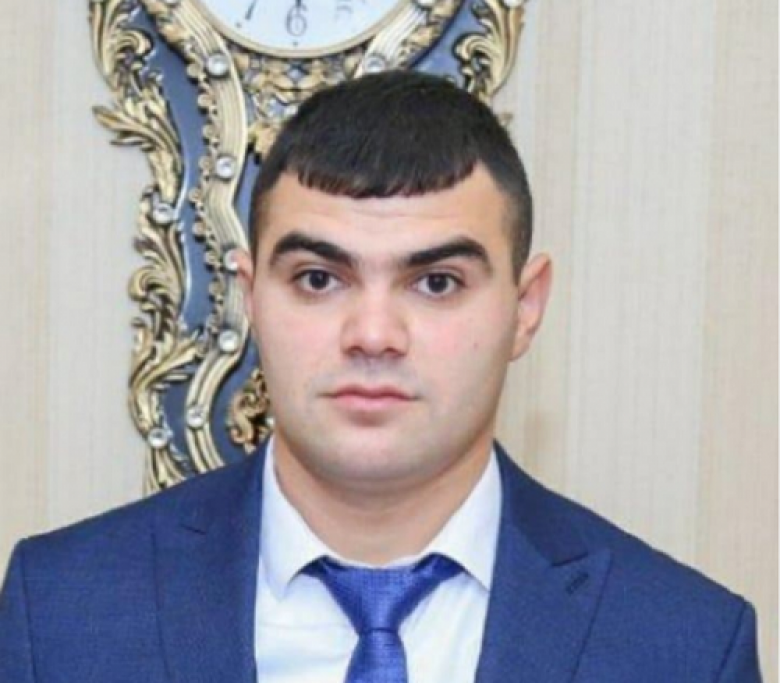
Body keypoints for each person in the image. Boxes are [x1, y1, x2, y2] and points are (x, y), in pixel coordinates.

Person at [0, 71, 761, 682]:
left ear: (525, 307)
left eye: (435, 283)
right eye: (318, 279)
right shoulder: (63, 612)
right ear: (250, 296)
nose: (372, 335)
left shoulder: (683, 645)